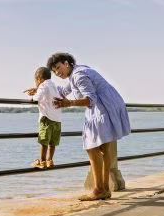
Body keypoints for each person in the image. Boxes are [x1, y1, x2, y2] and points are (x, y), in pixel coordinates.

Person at [48, 52, 131, 201]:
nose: (57, 73)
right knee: (104, 149)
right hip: (108, 105)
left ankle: (99, 189)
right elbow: (63, 91)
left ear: (66, 63)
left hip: (103, 108)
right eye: (54, 71)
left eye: (58, 67)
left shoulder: (79, 76)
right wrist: (41, 88)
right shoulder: (76, 73)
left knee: (92, 148)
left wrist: (70, 103)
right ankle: (104, 189)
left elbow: (90, 99)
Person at [24, 66, 62, 169]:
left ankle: (42, 161)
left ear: (39, 78)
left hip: (47, 118)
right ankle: (50, 160)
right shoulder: (54, 85)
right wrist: (37, 90)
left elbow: (37, 98)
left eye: (35, 81)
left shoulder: (43, 86)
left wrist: (32, 97)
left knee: (44, 141)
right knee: (52, 142)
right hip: (57, 120)